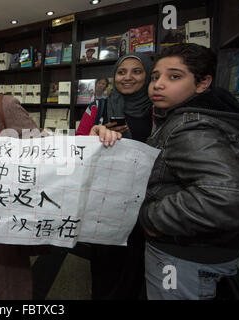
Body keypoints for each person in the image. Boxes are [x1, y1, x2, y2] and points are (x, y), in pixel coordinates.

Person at [0, 41, 120, 300]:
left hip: (7, 228)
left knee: (9, 291)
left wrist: (88, 141)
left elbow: (46, 150)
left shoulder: (5, 105)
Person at [139, 43, 239, 300]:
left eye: (174, 76)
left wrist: (153, 218)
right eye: (155, 77)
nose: (158, 84)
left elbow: (225, 196)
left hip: (182, 256)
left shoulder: (190, 126)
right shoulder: (189, 116)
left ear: (202, 83)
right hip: (204, 250)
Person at [76, 52, 154, 300]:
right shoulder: (99, 107)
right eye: (121, 72)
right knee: (104, 265)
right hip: (105, 203)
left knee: (136, 266)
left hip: (145, 204)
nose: (127, 77)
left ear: (148, 75)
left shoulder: (159, 109)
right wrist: (96, 137)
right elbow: (76, 148)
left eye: (137, 71)